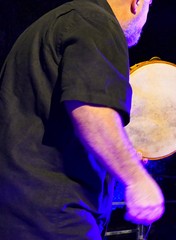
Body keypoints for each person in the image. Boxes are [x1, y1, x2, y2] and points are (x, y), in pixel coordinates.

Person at [0, 0, 165, 239]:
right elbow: (91, 108)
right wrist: (135, 178)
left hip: (18, 209)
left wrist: (118, 158)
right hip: (55, 215)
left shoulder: (54, 24)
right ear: (137, 3)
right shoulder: (97, 22)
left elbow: (50, 122)